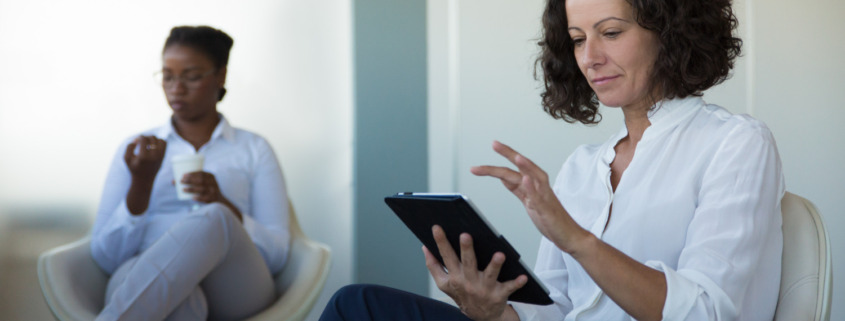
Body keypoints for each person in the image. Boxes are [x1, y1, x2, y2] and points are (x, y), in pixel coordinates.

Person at [320, 0, 783, 320]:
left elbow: (705, 312)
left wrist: (578, 240)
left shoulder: (735, 143)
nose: (590, 57)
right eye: (578, 40)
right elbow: (555, 310)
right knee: (357, 305)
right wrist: (493, 310)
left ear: (671, 33)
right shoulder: (583, 167)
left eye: (611, 33)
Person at [91, 26, 291, 321]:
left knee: (217, 216)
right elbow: (106, 258)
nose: (177, 88)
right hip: (144, 265)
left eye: (192, 76)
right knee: (183, 304)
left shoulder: (254, 149)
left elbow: (277, 256)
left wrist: (222, 202)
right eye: (167, 76)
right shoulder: (136, 151)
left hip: (233, 284)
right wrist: (141, 184)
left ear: (220, 76)